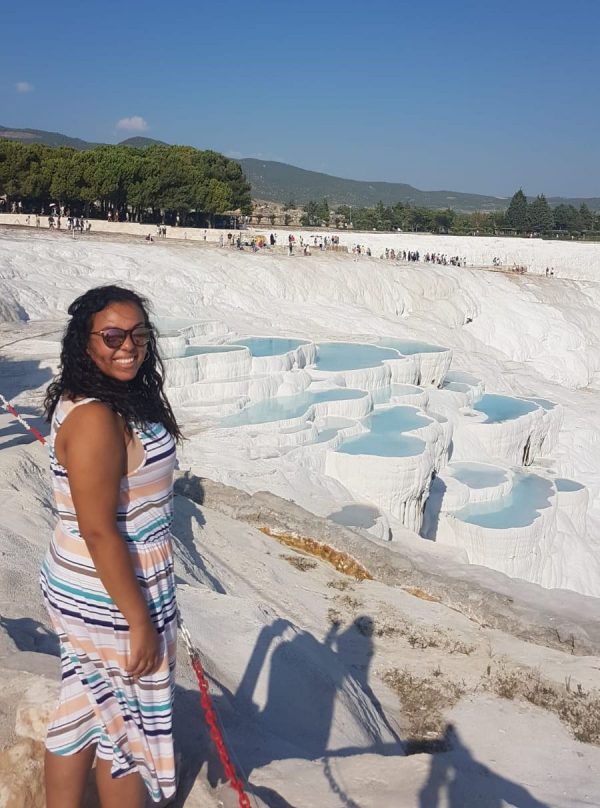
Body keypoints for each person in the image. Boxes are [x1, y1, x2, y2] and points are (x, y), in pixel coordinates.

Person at [40, 285, 182, 807]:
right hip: (112, 594)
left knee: (82, 708)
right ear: (85, 343)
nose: (130, 346)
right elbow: (100, 529)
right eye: (114, 335)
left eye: (139, 334)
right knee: (128, 733)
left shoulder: (94, 397)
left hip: (81, 581)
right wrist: (140, 620)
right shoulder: (97, 417)